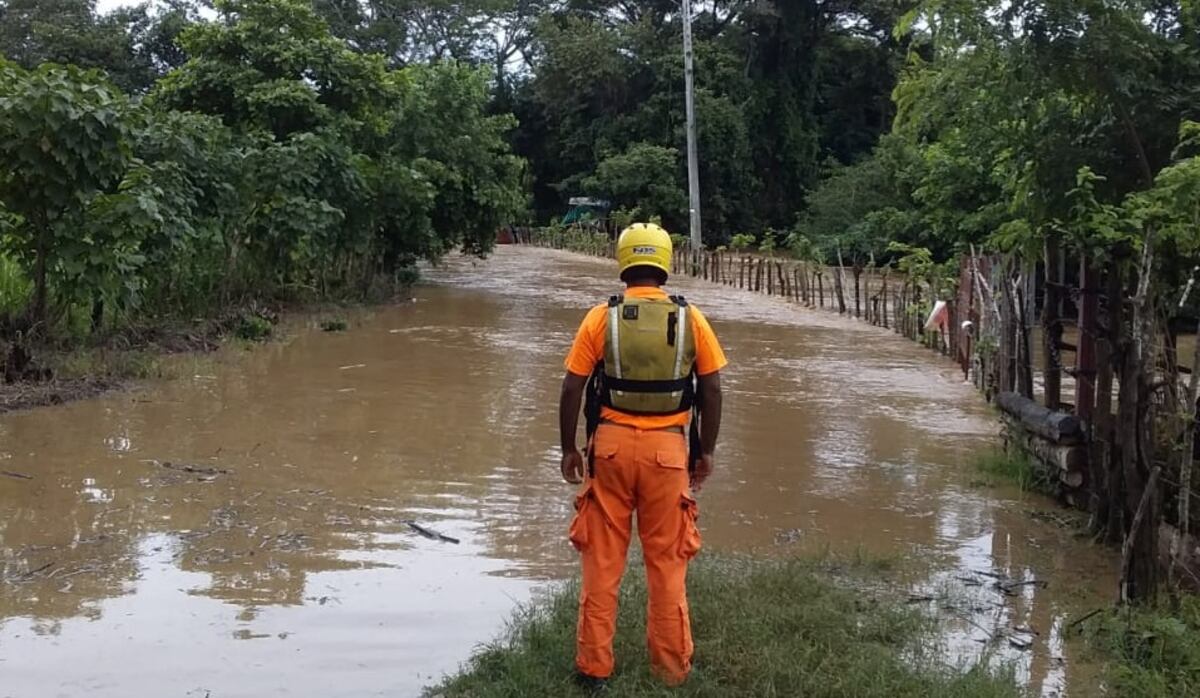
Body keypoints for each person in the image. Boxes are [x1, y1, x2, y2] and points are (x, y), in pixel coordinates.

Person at [558, 222, 727, 690]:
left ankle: (594, 671)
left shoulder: (601, 318)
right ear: (665, 263)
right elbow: (711, 388)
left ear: (624, 262)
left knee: (602, 564)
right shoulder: (692, 319)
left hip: (609, 450)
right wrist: (706, 451)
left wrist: (569, 448)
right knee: (668, 565)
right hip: (669, 454)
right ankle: (670, 673)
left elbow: (573, 385)